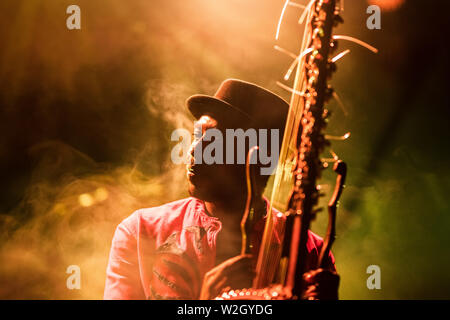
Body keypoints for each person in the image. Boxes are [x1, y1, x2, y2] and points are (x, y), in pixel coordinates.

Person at [103, 79, 339, 300]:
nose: (194, 149)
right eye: (197, 136)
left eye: (214, 141)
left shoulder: (310, 253)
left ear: (259, 159)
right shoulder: (142, 233)